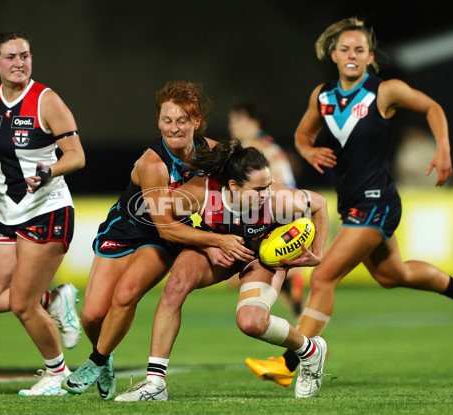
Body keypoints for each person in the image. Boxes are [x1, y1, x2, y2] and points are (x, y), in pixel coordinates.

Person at [245, 17, 453, 388]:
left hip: (378, 201)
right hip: (352, 202)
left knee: (324, 275)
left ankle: (291, 363)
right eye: (345, 49)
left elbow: (432, 108)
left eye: (359, 49)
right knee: (394, 275)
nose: (352, 55)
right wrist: (309, 150)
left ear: (369, 56)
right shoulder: (322, 96)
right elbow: (301, 134)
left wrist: (443, 148)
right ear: (334, 55)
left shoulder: (384, 91)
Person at [61, 82, 254, 400]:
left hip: (162, 239)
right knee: (93, 315)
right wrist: (217, 242)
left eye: (182, 120)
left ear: (196, 122)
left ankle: (94, 362)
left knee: (125, 296)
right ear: (158, 121)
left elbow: (247, 182)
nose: (174, 128)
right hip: (127, 229)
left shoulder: (215, 152)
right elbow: (165, 225)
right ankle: (106, 357)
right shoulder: (153, 164)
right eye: (167, 120)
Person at [114, 138, 330, 401]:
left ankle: (309, 352)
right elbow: (167, 223)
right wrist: (210, 244)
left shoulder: (278, 200)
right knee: (175, 285)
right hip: (215, 248)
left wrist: (317, 254)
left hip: (259, 257)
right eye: (259, 188)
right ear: (233, 185)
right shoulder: (202, 192)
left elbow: (319, 205)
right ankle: (155, 384)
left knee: (250, 322)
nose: (266, 193)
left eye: (268, 185)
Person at [0, 31, 85, 396]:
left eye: (25, 55)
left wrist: (50, 170)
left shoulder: (46, 100)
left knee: (21, 304)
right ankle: (56, 300)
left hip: (48, 210)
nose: (20, 62)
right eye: (12, 56)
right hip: (8, 211)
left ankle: (57, 373)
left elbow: (76, 156)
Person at [228, 100, 305, 319]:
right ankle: (304, 328)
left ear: (252, 121)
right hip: (287, 212)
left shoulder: (253, 148)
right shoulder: (267, 144)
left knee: (242, 275)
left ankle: (302, 333)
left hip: (278, 214)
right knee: (280, 281)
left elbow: (273, 185)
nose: (232, 125)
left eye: (237, 119)